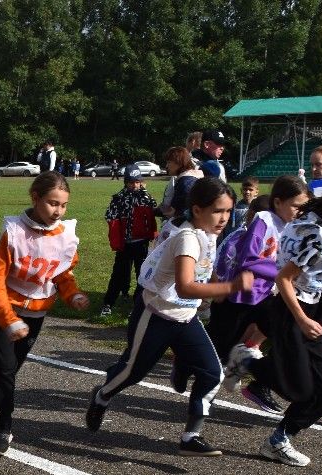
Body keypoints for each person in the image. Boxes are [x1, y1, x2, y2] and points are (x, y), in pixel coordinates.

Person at [85, 177, 254, 456]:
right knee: (132, 371)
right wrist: (230, 287)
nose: (224, 218)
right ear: (197, 210)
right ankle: (102, 395)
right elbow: (186, 285)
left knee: (212, 373)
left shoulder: (208, 234)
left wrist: (217, 283)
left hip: (186, 318)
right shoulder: (187, 238)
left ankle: (191, 436)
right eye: (217, 211)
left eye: (227, 211)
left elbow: (205, 269)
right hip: (155, 315)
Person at [230, 178, 322, 467]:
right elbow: (283, 279)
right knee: (299, 388)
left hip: (314, 310)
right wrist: (300, 318)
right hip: (287, 309)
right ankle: (248, 361)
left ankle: (279, 440)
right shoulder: (317, 237)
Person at [0, 171, 89, 455]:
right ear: (35, 197)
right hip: (8, 310)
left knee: (9, 367)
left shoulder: (65, 235)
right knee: (6, 373)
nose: (58, 211)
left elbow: (62, 274)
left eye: (63, 205)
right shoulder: (15, 232)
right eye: (53, 203)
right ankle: (4, 427)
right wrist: (9, 319)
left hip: (37, 316)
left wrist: (72, 294)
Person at [214, 174, 311, 411]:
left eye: (303, 207)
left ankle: (257, 380)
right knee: (218, 347)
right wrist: (282, 271)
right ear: (278, 202)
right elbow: (248, 259)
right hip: (242, 296)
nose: (300, 211)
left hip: (267, 296)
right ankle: (190, 363)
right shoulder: (263, 221)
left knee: (284, 333)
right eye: (296, 205)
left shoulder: (293, 226)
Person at [101, 164, 158, 316]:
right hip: (125, 244)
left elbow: (154, 209)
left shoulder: (145, 197)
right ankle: (108, 303)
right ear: (126, 182)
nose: (135, 185)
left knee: (142, 274)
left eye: (137, 182)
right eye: (131, 182)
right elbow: (110, 216)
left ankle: (138, 305)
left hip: (142, 243)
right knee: (119, 273)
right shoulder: (119, 198)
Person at [158, 147, 203, 220]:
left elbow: (181, 214)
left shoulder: (186, 183)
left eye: (169, 162)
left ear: (179, 163)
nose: (166, 166)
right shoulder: (186, 179)